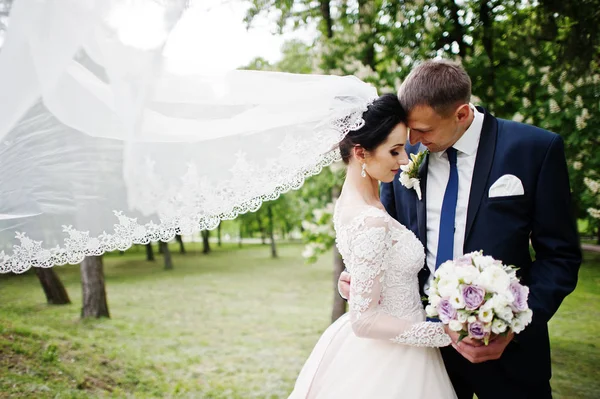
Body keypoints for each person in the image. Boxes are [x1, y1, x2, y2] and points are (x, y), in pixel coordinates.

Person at [338, 59, 581, 399]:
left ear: (462, 114)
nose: (413, 142)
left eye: (424, 131)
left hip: (511, 356)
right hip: (423, 357)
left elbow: (561, 255)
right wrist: (361, 276)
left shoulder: (535, 150)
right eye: (411, 130)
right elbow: (388, 239)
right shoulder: (401, 157)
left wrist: (515, 323)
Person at [289, 93, 457, 398]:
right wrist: (444, 334)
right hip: (395, 358)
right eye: (394, 151)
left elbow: (370, 277)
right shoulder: (371, 220)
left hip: (387, 346)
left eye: (403, 149)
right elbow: (364, 321)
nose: (405, 160)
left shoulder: (353, 202)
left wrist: (351, 284)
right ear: (361, 153)